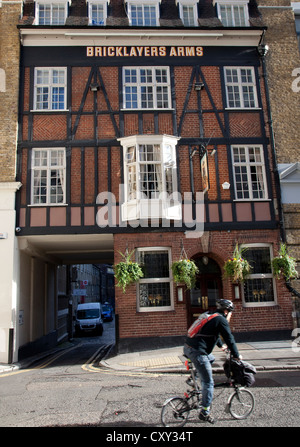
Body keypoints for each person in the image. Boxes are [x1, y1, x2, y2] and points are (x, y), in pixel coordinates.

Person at [184, 299, 241, 424]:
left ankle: (192, 378)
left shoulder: (210, 314)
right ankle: (205, 412)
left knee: (211, 358)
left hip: (188, 348)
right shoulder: (222, 320)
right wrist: (236, 355)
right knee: (209, 383)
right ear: (226, 311)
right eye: (231, 312)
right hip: (197, 352)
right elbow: (229, 338)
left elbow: (213, 332)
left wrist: (220, 345)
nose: (230, 315)